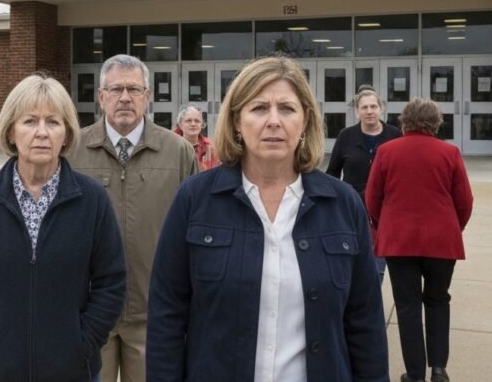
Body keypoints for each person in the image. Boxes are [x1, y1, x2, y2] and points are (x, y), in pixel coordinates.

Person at [147, 56, 389, 382]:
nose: (273, 121)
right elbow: (167, 315)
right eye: (259, 108)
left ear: (305, 121)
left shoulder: (342, 205)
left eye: (287, 109)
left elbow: (366, 323)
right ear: (236, 121)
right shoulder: (194, 199)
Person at [0, 73, 126, 382]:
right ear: (11, 132)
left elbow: (111, 283)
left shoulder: (92, 199)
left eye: (53, 122)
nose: (42, 132)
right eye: (29, 121)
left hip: (73, 371)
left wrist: (82, 342)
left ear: (66, 134)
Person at [70, 54, 199, 382]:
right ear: (101, 97)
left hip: (153, 313)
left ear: (148, 95)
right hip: (89, 311)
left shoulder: (178, 152)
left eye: (134, 89)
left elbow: (196, 231)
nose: (125, 98)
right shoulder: (72, 151)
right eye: (115, 90)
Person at [366, 97, 473, 382]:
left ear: (405, 121)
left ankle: (415, 373)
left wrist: (382, 224)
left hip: (399, 239)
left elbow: (372, 197)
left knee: (407, 306)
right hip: (441, 240)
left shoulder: (386, 151)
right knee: (438, 300)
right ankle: (438, 368)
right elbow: (464, 201)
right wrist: (452, 228)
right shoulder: (450, 153)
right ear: (436, 122)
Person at [326, 84, 402, 282]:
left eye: (373, 107)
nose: (369, 111)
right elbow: (333, 173)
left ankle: (370, 307)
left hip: (385, 209)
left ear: (381, 108)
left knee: (377, 266)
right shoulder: (346, 136)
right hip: (354, 206)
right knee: (354, 261)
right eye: (364, 108)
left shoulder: (395, 135)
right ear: (356, 112)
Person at [173, 103, 220, 171]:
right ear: (180, 124)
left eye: (197, 121)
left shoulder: (211, 147)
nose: (193, 124)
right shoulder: (172, 146)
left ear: (202, 125)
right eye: (188, 120)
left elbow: (218, 173)